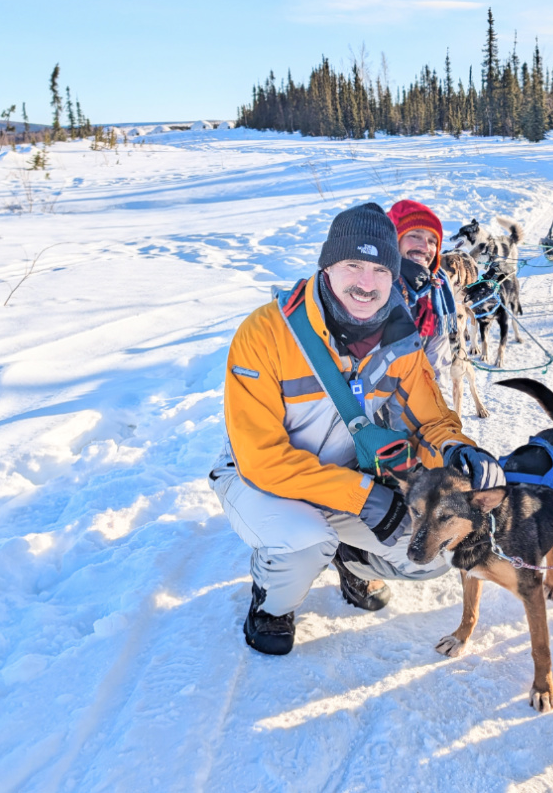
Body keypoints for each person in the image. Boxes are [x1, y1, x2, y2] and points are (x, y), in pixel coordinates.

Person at [208, 203, 504, 656]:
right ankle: (272, 603)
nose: (366, 284)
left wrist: (459, 452)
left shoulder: (401, 340)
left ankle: (353, 564)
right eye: (353, 265)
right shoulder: (265, 334)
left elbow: (433, 420)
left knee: (433, 552)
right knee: (306, 540)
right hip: (260, 482)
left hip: (347, 477)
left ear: (394, 274)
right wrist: (365, 498)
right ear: (326, 267)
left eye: (379, 270)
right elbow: (262, 458)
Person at [387, 199, 459, 395]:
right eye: (415, 235)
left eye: (432, 241)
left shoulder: (437, 291)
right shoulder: (374, 288)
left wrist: (435, 415)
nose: (425, 247)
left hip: (417, 408)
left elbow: (437, 365)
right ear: (394, 240)